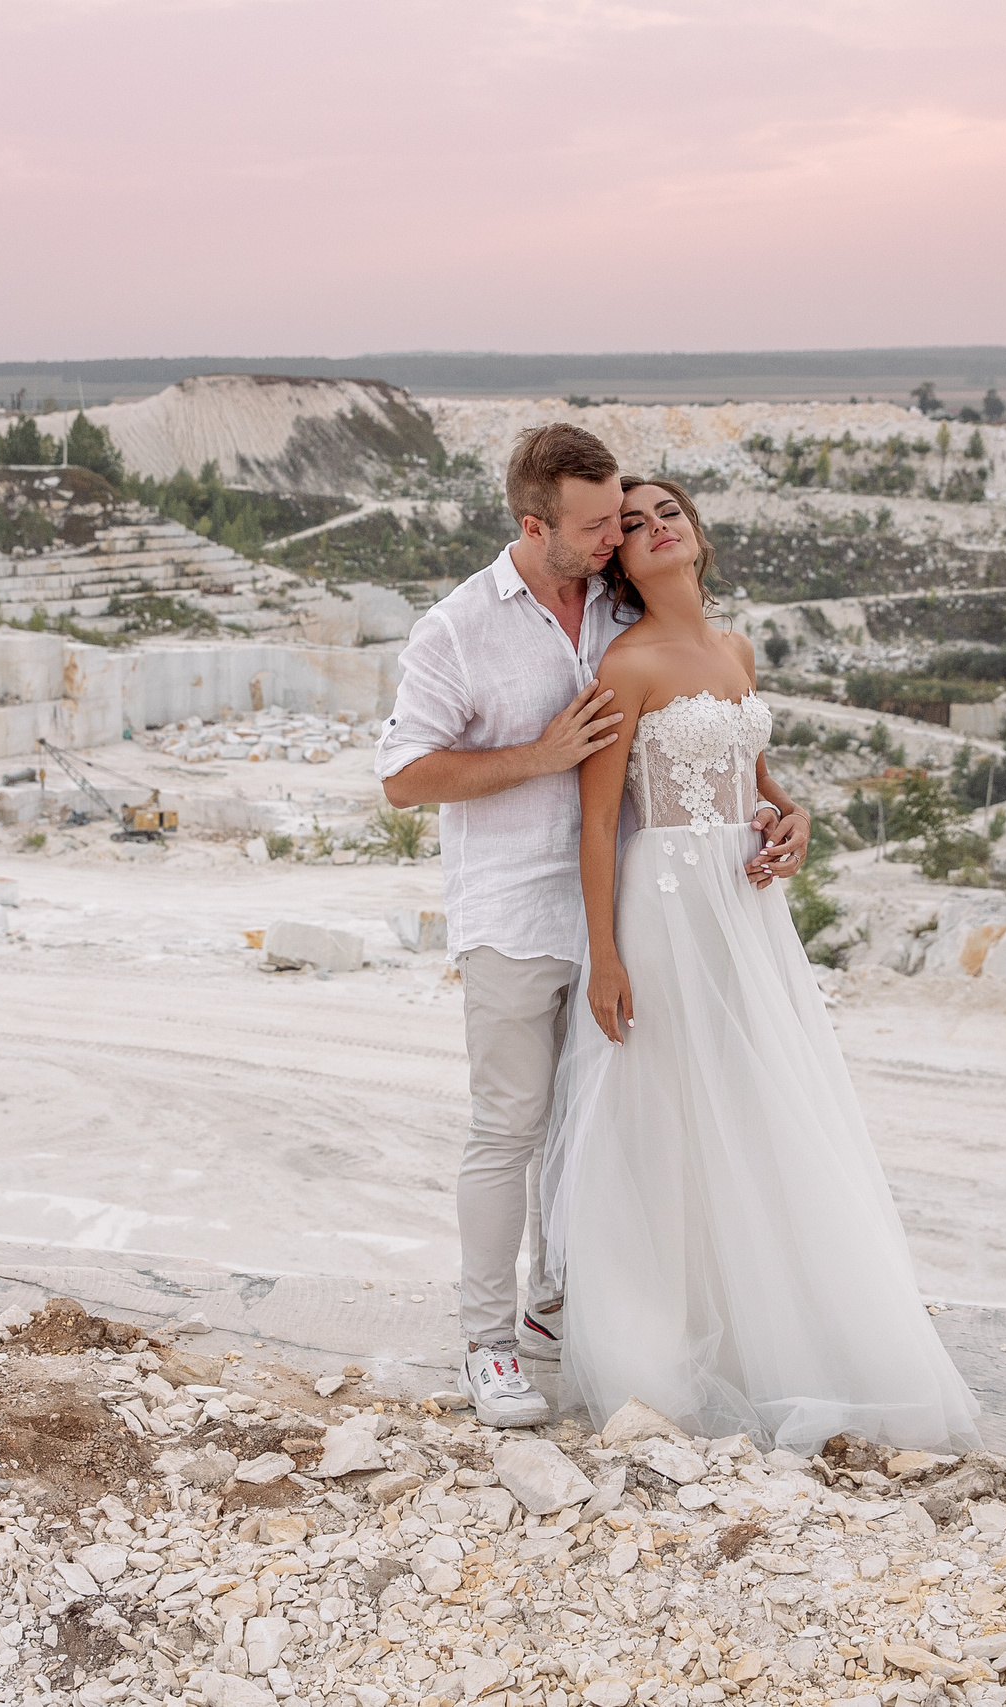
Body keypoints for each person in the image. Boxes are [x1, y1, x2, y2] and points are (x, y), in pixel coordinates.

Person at [376, 427, 810, 1428]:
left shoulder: (622, 602)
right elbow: (402, 778)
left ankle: (553, 1321)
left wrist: (787, 808)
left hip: (633, 911)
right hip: (518, 911)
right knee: (511, 1127)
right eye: (597, 525)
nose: (618, 535)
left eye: (626, 515)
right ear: (536, 527)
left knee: (596, 1135)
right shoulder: (456, 630)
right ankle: (487, 1347)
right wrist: (538, 755)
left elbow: (712, 752)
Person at [538, 474, 981, 1451]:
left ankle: (765, 1326)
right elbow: (600, 824)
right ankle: (657, 1344)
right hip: (665, 904)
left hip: (744, 910)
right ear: (616, 555)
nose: (655, 529)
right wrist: (604, 958)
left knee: (754, 1101)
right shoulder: (626, 665)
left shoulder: (733, 650)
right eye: (635, 523)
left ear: (695, 535)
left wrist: (795, 815)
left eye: (669, 514)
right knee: (665, 1112)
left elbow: (756, 780)